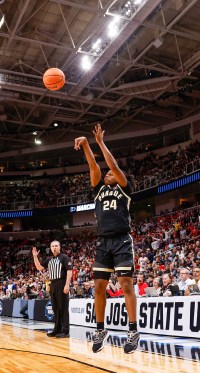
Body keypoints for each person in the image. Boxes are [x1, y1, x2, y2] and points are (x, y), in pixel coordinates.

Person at [74, 123, 140, 354]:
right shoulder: (99, 190)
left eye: (111, 173)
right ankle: (100, 329)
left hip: (122, 240)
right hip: (103, 242)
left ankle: (133, 330)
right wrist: (85, 144)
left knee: (125, 285)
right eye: (107, 174)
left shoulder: (124, 187)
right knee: (98, 287)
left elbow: (111, 165)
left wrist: (100, 142)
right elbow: (94, 166)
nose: (108, 174)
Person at [32, 241, 72, 338]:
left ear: (60, 247)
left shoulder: (64, 258)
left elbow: (69, 271)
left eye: (56, 246)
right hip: (53, 284)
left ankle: (65, 331)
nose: (54, 248)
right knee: (55, 308)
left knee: (63, 308)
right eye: (53, 246)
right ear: (50, 248)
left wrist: (67, 285)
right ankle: (57, 329)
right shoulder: (49, 259)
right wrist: (35, 257)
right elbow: (39, 267)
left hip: (62, 283)